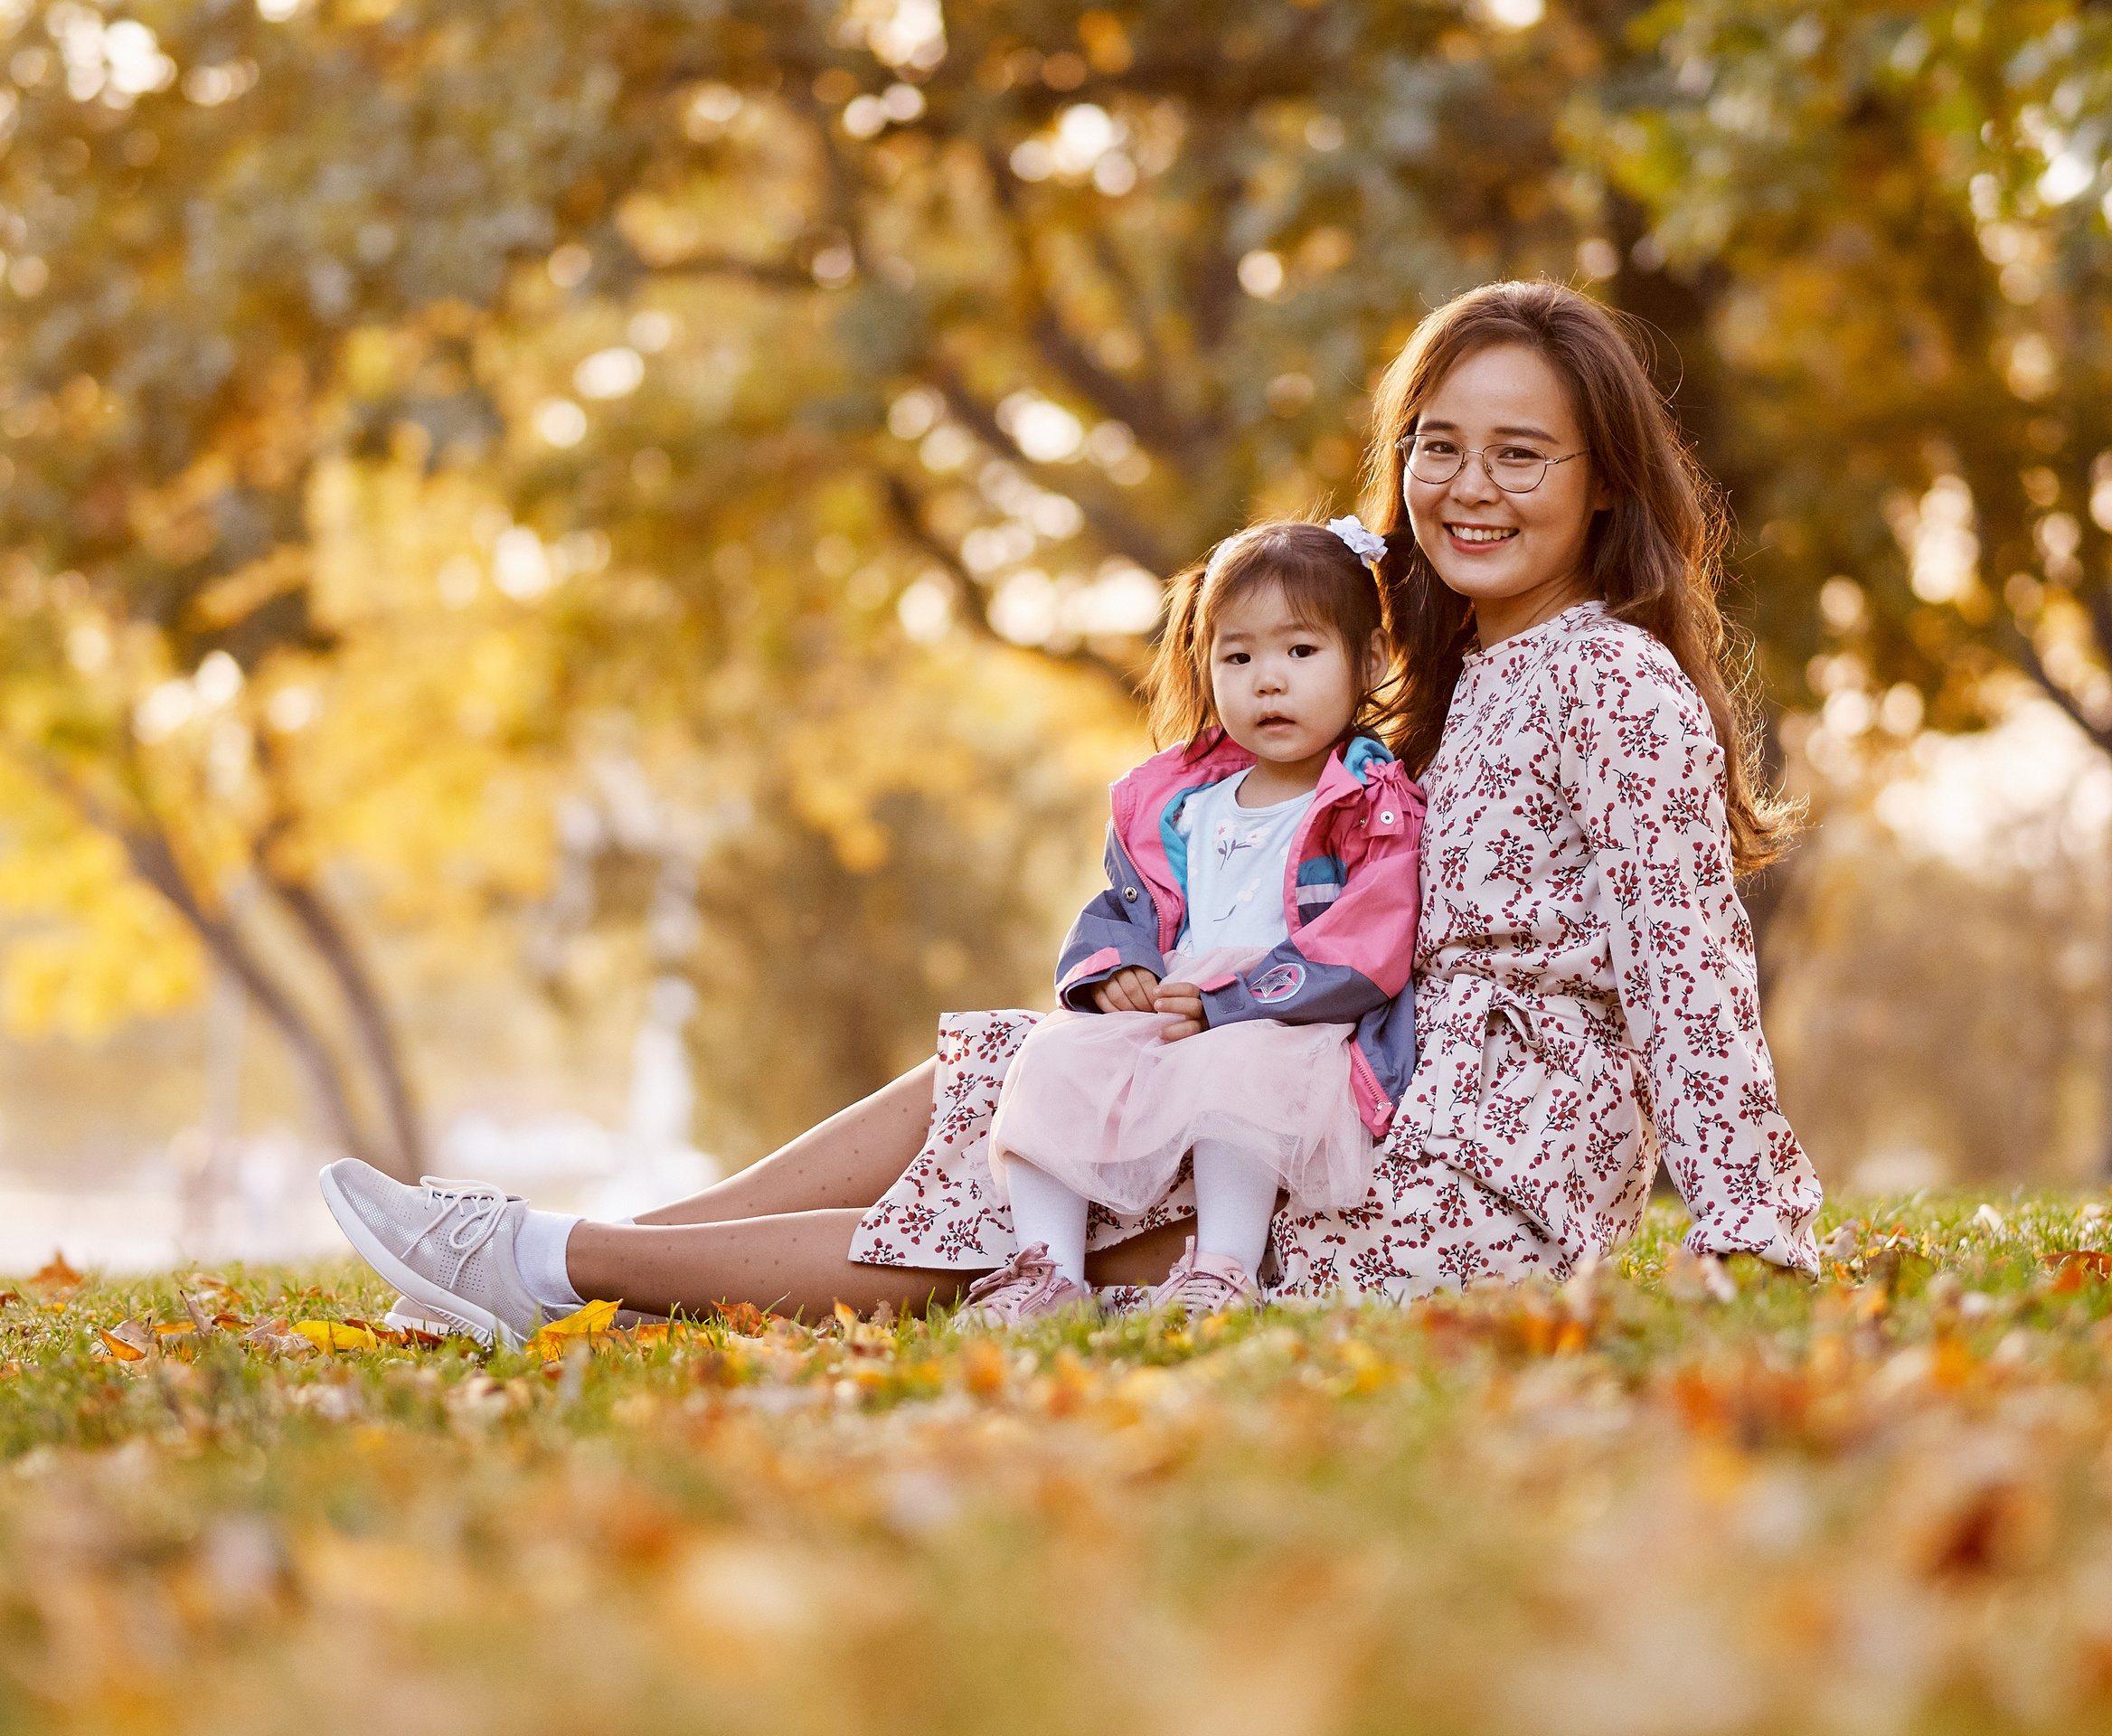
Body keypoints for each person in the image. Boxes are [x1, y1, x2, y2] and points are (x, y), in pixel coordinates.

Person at [319, 275, 1820, 1346]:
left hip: (1467, 1175)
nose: (1469, 486)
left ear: (1603, 484)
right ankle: (608, 1261)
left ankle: (543, 1258)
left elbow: (1688, 967)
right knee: (1012, 1071)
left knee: (1018, 1199)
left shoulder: (1612, 683)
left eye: (1521, 453)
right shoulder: (1456, 679)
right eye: (1440, 442)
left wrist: (1754, 1234)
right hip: (1351, 1088)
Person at [950, 517, 1424, 1326]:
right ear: (1206, 668)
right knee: (1054, 1057)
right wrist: (1117, 970)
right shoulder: (1180, 806)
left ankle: (1221, 1270)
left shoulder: (1366, 803)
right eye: (1238, 658)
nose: (1267, 682)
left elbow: (1369, 940)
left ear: (1369, 660)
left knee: (1238, 1072)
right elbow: (1122, 909)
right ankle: (1047, 1273)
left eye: (1300, 653)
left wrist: (1236, 1002)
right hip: (1179, 1009)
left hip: (1286, 1016)